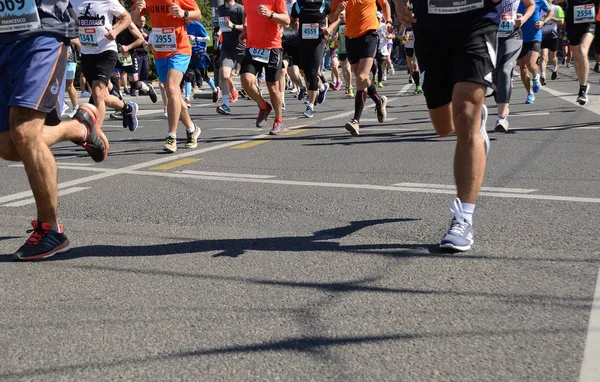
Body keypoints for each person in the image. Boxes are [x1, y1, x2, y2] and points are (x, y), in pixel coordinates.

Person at [0, 0, 109, 260]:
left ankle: (51, 230)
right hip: (4, 37)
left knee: (25, 132)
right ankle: (77, 128)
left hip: (42, 32)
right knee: (8, 146)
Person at [395, 0, 497, 252]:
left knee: (465, 118)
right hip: (430, 27)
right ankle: (475, 126)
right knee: (444, 127)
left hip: (476, 22)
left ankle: (463, 219)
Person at [132, 0, 202, 153]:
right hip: (160, 51)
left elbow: (198, 14)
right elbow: (133, 18)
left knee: (171, 87)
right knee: (173, 93)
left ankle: (172, 136)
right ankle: (192, 129)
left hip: (180, 49)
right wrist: (137, 10)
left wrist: (184, 13)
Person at [71, 0, 140, 131]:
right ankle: (129, 108)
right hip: (87, 52)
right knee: (103, 97)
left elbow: (126, 17)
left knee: (97, 92)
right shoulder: (72, 1)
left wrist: (115, 31)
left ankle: (96, 136)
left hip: (106, 51)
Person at [330, 0, 391, 136]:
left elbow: (385, 4)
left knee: (362, 77)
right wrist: (338, 11)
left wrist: (388, 21)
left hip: (369, 35)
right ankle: (379, 101)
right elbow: (332, 18)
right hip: (351, 39)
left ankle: (356, 121)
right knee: (361, 78)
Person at [239, 0, 291, 135]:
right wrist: (246, 31)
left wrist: (271, 14)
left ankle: (279, 120)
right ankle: (263, 106)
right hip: (252, 47)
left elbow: (286, 20)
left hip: (272, 47)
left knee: (272, 87)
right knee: (246, 80)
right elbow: (248, 16)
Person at [494, 0, 535, 132]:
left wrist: (523, 18)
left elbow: (531, 5)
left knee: (505, 70)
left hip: (512, 34)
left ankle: (501, 117)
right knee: (493, 76)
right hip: (488, 35)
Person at [290, 0, 334, 118]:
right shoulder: (298, 5)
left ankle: (310, 106)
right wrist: (294, 24)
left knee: (313, 73)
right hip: (303, 43)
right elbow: (292, 21)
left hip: (318, 43)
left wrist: (329, 29)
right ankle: (323, 87)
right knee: (306, 73)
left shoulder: (323, 4)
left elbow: (336, 17)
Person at [555, 0, 597, 105]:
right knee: (577, 59)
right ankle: (583, 83)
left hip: (590, 23)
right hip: (573, 24)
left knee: (582, 51)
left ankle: (582, 89)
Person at [516, 0, 552, 105]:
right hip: (519, 37)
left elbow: (550, 11)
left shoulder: (540, 0)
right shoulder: (514, 1)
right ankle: (530, 93)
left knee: (530, 63)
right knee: (523, 68)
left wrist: (543, 21)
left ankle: (536, 76)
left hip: (534, 36)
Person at [216, 0, 246, 115]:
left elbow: (246, 27)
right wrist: (218, 32)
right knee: (224, 75)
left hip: (241, 47)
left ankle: (260, 102)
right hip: (227, 48)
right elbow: (222, 25)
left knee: (248, 79)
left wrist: (233, 25)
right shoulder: (221, 9)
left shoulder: (240, 9)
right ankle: (226, 104)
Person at [185, 20, 220, 107]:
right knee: (188, 75)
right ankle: (187, 99)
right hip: (189, 54)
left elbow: (207, 38)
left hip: (200, 54)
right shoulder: (183, 25)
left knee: (204, 76)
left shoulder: (197, 25)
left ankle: (215, 90)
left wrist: (195, 38)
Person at [539, 0, 565, 84]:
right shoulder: (539, 8)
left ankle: (555, 68)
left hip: (553, 36)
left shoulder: (557, 8)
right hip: (542, 36)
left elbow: (561, 21)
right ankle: (543, 75)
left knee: (553, 56)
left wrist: (549, 17)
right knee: (543, 56)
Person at [401, 24, 422, 94]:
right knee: (411, 69)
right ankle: (417, 85)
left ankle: (418, 86)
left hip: (416, 47)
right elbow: (403, 40)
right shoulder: (405, 28)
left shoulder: (416, 27)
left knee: (415, 66)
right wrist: (403, 39)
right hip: (408, 48)